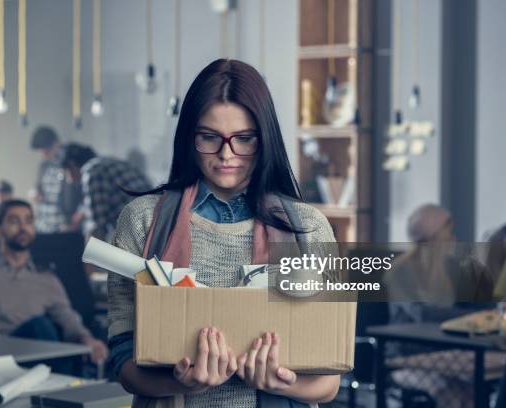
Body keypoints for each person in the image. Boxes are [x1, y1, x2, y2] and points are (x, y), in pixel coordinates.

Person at [107, 59, 339, 407]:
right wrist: (180, 383)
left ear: (265, 140)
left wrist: (281, 384)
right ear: (189, 137)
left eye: (244, 139)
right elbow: (123, 363)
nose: (227, 154)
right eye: (209, 137)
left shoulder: (308, 228)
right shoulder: (142, 221)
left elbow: (329, 382)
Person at [0, 199, 108, 365]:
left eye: (28, 221)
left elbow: (68, 319)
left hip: (32, 359)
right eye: (14, 221)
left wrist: (87, 339)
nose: (23, 227)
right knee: (40, 326)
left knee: (54, 334)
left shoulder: (47, 279)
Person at [385, 204, 498, 408]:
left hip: (444, 357)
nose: (453, 238)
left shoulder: (452, 268)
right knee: (450, 392)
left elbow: (475, 306)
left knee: (472, 389)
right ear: (435, 236)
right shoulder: (400, 271)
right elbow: (423, 314)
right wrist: (469, 318)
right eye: (449, 232)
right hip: (406, 359)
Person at [60, 143, 152, 241]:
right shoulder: (107, 162)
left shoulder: (91, 172)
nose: (68, 180)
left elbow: (97, 229)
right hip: (157, 224)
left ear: (71, 164)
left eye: (65, 174)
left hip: (141, 232)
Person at [30, 126, 81, 233]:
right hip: (44, 222)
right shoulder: (44, 165)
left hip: (65, 223)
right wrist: (36, 193)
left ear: (56, 144)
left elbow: (78, 193)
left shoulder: (70, 163)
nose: (43, 154)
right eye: (41, 151)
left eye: (46, 150)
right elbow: (38, 187)